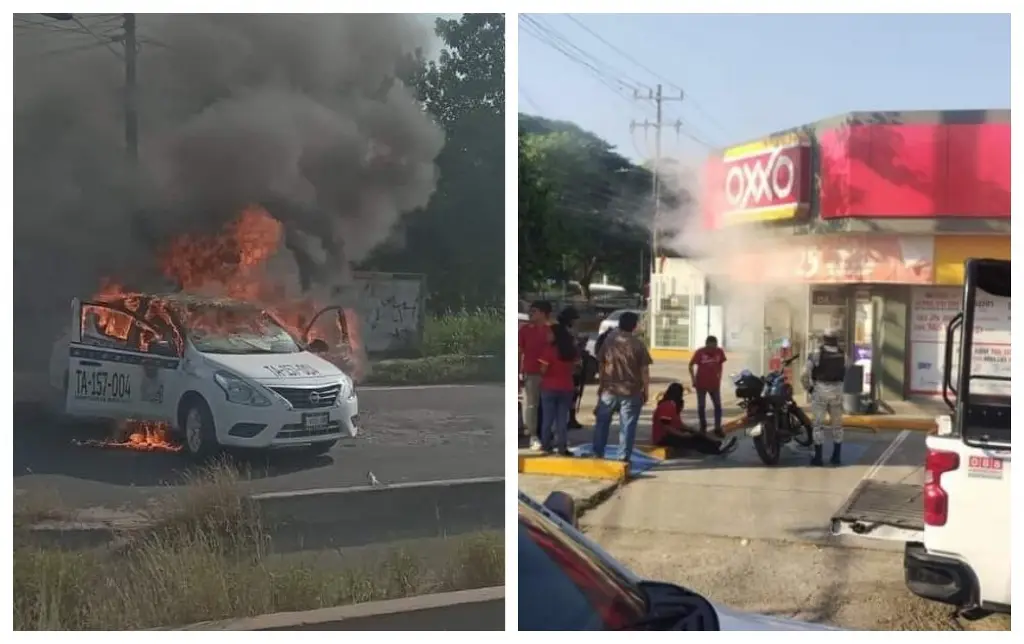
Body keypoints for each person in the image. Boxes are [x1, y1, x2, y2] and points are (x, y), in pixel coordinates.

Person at [592, 311, 651, 462]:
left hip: (609, 390)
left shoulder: (609, 341)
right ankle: (623, 457)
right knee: (627, 426)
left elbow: (601, 364)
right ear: (634, 325)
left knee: (602, 423)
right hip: (631, 391)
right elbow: (644, 370)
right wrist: (646, 390)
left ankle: (597, 452)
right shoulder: (638, 344)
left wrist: (601, 385)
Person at [653, 383, 738, 456]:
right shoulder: (667, 406)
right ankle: (716, 450)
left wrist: (690, 429)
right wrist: (682, 435)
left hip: (671, 433)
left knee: (697, 434)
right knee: (692, 440)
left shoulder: (673, 405)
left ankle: (718, 445)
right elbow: (666, 427)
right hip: (663, 437)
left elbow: (678, 424)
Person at [801, 330, 846, 466]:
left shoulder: (816, 354)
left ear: (824, 339)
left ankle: (818, 457)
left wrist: (808, 388)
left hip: (820, 390)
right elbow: (846, 369)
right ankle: (836, 456)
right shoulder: (843, 354)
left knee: (818, 425)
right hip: (837, 391)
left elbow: (804, 373)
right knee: (837, 425)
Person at [538, 317, 579, 456]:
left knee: (547, 419)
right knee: (562, 419)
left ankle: (546, 445)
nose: (547, 336)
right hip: (566, 387)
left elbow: (543, 370)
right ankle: (562, 447)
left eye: (550, 333)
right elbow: (574, 369)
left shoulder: (549, 350)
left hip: (549, 387)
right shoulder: (570, 351)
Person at [519, 300, 553, 450]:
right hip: (531, 373)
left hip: (551, 373)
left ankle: (548, 433)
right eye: (530, 311)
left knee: (548, 405)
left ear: (544, 313)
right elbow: (519, 352)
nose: (530, 313)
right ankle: (533, 436)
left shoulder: (552, 330)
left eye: (534, 311)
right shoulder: (524, 330)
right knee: (532, 405)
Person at [688, 335, 727, 438]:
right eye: (711, 347)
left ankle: (717, 428)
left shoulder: (719, 352)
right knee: (701, 406)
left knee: (718, 406)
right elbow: (690, 365)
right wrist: (693, 380)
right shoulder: (700, 352)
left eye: (714, 346)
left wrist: (719, 377)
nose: (713, 349)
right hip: (701, 383)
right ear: (706, 345)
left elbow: (721, 365)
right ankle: (703, 426)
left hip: (714, 384)